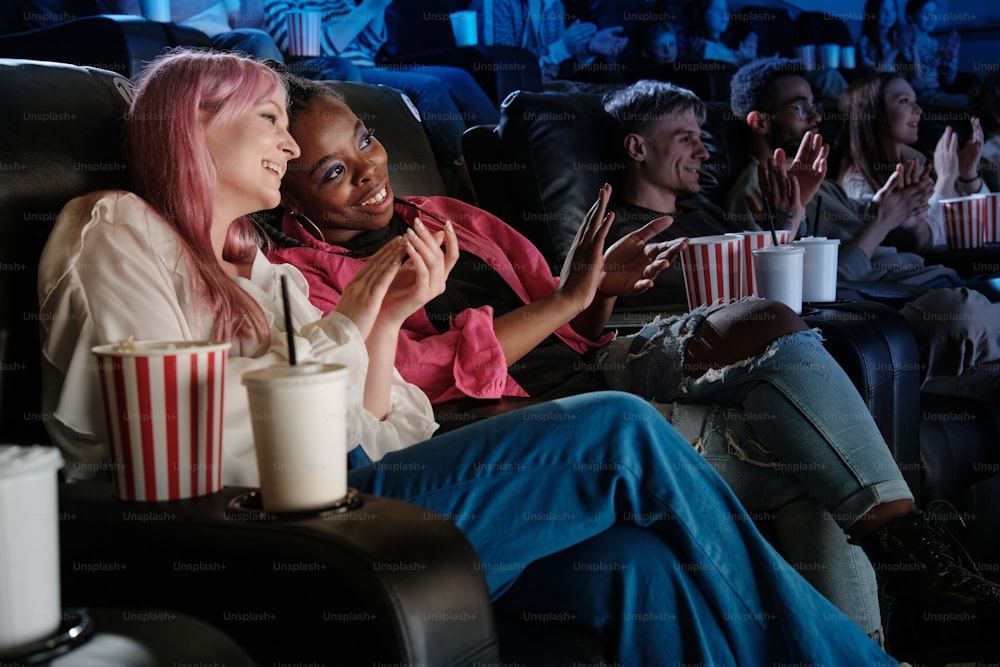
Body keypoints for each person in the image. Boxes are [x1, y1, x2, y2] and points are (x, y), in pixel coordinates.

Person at [36, 47, 908, 667]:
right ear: (195, 128)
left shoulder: (257, 269)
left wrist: (382, 323)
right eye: (270, 121)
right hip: (277, 520)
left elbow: (383, 421)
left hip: (357, 483)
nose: (289, 144)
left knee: (641, 569)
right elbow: (201, 434)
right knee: (620, 429)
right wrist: (357, 325)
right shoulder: (120, 230)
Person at [267, 72, 1000, 654]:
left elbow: (568, 324)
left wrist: (593, 296)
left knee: (778, 324)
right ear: (289, 197)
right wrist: (568, 299)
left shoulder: (443, 213)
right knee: (810, 467)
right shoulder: (312, 278)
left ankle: (905, 537)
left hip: (597, 359)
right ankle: (878, 628)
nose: (370, 170)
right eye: (334, 171)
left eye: (366, 139)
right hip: (514, 412)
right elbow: (415, 379)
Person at [726, 57, 1000, 403]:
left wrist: (892, 208)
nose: (815, 116)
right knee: (961, 313)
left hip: (932, 281)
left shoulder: (822, 185)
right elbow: (808, 296)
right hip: (898, 308)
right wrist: (881, 219)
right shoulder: (754, 195)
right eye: (799, 107)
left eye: (814, 105)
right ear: (759, 122)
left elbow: (881, 230)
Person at [262, 0, 498, 181]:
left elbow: (370, 44)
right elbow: (319, 48)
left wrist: (379, 7)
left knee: (459, 77)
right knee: (430, 87)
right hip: (332, 69)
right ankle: (478, 180)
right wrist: (371, 5)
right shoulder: (279, 3)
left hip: (370, 65)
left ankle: (507, 150)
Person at [837, 71, 987, 250]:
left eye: (914, 100)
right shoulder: (858, 183)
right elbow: (925, 241)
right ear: (873, 114)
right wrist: (946, 180)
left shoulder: (922, 161)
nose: (918, 109)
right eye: (904, 101)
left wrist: (968, 175)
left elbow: (988, 224)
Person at [472, 0, 628, 87]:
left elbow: (558, 71)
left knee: (617, 97)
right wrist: (562, 47)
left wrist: (587, 49)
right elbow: (502, 72)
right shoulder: (496, 4)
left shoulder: (554, 5)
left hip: (548, 92)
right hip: (513, 100)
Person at [904, 0, 965, 106]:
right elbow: (915, 80)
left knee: (979, 101)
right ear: (911, 17)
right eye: (926, 14)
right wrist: (937, 58)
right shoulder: (906, 42)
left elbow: (949, 81)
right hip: (920, 96)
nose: (932, 18)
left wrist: (953, 59)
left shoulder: (936, 44)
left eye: (934, 13)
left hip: (938, 93)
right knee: (967, 102)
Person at [683, 0, 756, 66]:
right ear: (702, 14)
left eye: (726, 10)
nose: (724, 15)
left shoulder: (723, 46)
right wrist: (746, 57)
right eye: (717, 10)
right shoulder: (701, 47)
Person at [857, 0, 917, 75]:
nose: (889, 14)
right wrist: (895, 48)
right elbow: (874, 75)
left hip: (903, 84)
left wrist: (913, 45)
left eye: (893, 9)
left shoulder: (898, 36)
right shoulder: (865, 41)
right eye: (882, 10)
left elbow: (917, 74)